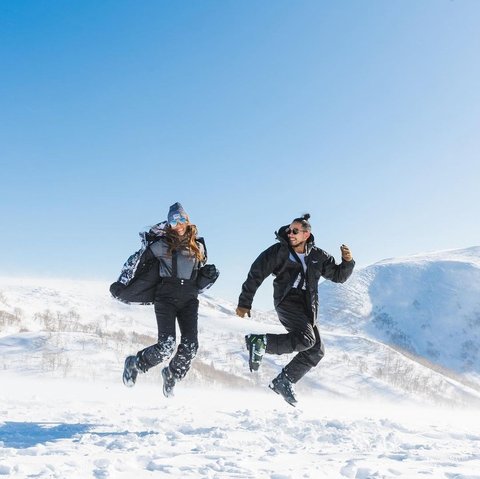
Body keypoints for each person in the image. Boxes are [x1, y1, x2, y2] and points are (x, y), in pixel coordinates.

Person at [235, 213, 354, 406]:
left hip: (308, 306)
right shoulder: (279, 251)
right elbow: (256, 273)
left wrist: (347, 262)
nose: (290, 233)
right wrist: (244, 302)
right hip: (287, 300)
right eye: (289, 230)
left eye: (295, 231)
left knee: (316, 351)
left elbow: (339, 276)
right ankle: (260, 342)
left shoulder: (318, 256)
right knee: (306, 339)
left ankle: (284, 381)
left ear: (306, 234)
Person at [113, 202, 218, 397]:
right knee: (166, 345)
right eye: (173, 220)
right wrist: (125, 283)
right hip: (166, 298)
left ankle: (172, 374)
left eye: (181, 219)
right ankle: (135, 364)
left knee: (191, 346)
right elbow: (137, 262)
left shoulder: (199, 246)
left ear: (187, 220)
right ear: (168, 224)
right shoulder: (161, 245)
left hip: (189, 300)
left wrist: (208, 276)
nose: (177, 224)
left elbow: (197, 279)